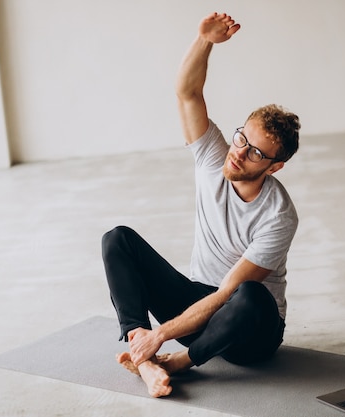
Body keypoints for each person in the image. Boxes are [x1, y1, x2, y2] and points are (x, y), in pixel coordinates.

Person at [101, 11, 301, 398]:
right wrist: (205, 41)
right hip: (197, 306)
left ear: (275, 166)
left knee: (251, 295)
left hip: (250, 334)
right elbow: (187, 93)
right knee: (118, 239)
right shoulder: (215, 157)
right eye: (242, 138)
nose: (239, 153)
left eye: (256, 153)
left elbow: (228, 294)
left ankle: (176, 363)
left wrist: (164, 336)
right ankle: (141, 353)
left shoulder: (279, 215)